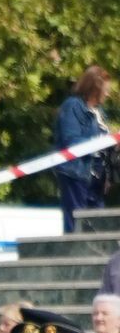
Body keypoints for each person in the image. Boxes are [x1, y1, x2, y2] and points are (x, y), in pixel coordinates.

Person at [54, 65, 111, 233]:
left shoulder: (100, 113)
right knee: (76, 226)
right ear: (95, 88)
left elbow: (103, 149)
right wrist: (103, 140)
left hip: (96, 180)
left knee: (98, 227)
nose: (107, 94)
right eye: (105, 90)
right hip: (76, 174)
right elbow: (72, 141)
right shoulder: (72, 107)